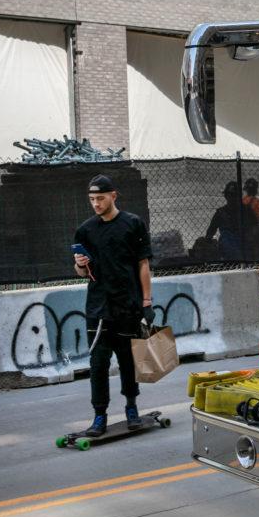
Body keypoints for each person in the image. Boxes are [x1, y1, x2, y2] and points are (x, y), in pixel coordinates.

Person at [73, 174, 153, 436]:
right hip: (97, 309)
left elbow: (143, 265)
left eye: (100, 198)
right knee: (98, 364)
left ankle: (131, 408)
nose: (96, 204)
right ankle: (99, 416)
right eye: (92, 199)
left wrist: (146, 302)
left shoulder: (132, 224)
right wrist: (80, 265)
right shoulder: (85, 230)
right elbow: (82, 274)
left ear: (113, 196)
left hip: (127, 306)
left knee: (128, 361)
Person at [206, 180, 258, 261]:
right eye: (231, 195)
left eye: (234, 195)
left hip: (240, 247)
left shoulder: (246, 210)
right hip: (233, 248)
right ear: (226, 196)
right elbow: (210, 232)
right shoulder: (221, 212)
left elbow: (210, 233)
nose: (232, 198)